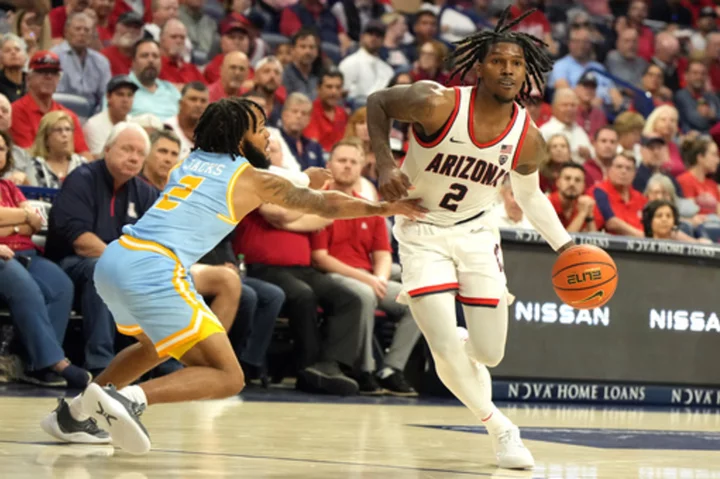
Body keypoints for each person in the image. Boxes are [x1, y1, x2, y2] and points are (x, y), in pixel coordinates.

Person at [40, 97, 426, 454]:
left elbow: (257, 178)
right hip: (155, 268)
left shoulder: (190, 162)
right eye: (260, 128)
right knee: (227, 376)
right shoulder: (252, 177)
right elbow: (325, 203)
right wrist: (385, 206)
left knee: (155, 346)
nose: (267, 134)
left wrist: (302, 178)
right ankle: (129, 400)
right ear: (241, 136)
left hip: (116, 260)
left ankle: (74, 415)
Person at [366, 8, 577, 470]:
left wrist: (566, 246)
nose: (507, 69)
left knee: (489, 353)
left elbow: (531, 196)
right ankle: (500, 427)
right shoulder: (436, 102)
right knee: (442, 343)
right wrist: (384, 164)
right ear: (479, 66)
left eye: (516, 64)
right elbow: (379, 102)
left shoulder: (528, 138)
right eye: (498, 61)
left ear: (527, 73)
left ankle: (466, 344)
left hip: (479, 231)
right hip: (422, 229)